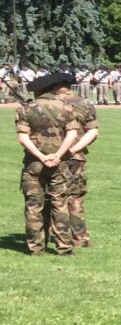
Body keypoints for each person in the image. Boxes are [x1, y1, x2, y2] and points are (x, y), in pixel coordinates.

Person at [15, 72, 81, 255]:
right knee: (60, 204)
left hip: (33, 164)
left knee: (34, 206)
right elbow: (73, 134)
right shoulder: (67, 108)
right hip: (60, 164)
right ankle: (64, 247)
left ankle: (36, 248)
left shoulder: (25, 109)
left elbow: (23, 138)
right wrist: (58, 155)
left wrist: (41, 156)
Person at [61, 80, 100, 248]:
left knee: (54, 197)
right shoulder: (84, 104)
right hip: (76, 156)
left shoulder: (51, 104)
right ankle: (80, 238)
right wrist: (75, 148)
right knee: (75, 197)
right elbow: (93, 131)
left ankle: (55, 235)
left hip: (53, 155)